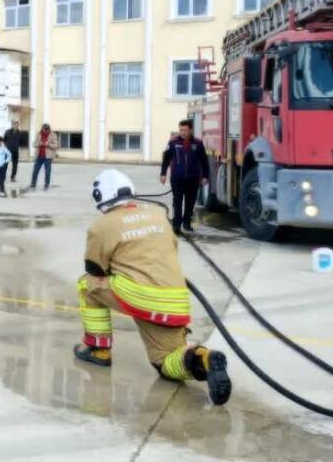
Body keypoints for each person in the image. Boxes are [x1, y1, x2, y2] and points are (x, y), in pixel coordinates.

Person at [75, 169, 231, 406]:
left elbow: (95, 269)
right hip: (175, 299)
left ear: (100, 196)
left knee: (87, 285)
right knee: (165, 362)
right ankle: (202, 358)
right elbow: (172, 250)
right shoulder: (158, 215)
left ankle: (99, 350)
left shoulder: (102, 225)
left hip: (139, 294)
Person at [160, 119, 210, 234]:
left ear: (190, 130)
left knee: (190, 202)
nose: (182, 132)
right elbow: (166, 159)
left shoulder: (197, 143)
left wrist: (205, 176)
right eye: (180, 130)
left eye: (184, 130)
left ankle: (187, 223)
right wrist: (163, 173)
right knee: (177, 201)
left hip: (193, 178)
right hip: (177, 178)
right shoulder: (173, 142)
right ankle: (176, 225)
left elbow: (204, 161)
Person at [30, 123, 58, 191]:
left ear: (49, 129)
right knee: (35, 171)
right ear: (42, 129)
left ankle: (46, 185)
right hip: (39, 156)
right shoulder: (38, 134)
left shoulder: (53, 135)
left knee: (47, 171)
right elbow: (34, 144)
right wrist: (39, 144)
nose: (45, 131)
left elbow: (56, 146)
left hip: (48, 157)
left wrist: (48, 144)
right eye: (44, 130)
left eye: (47, 130)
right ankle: (33, 184)